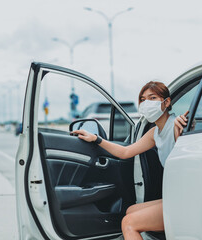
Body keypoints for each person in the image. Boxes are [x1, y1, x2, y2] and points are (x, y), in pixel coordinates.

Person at [72, 81, 188, 240]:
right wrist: (96, 139)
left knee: (128, 223)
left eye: (152, 98)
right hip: (173, 195)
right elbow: (126, 152)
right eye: (143, 99)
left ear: (166, 102)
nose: (146, 103)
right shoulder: (154, 132)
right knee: (130, 211)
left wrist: (185, 126)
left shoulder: (176, 125)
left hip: (185, 198)